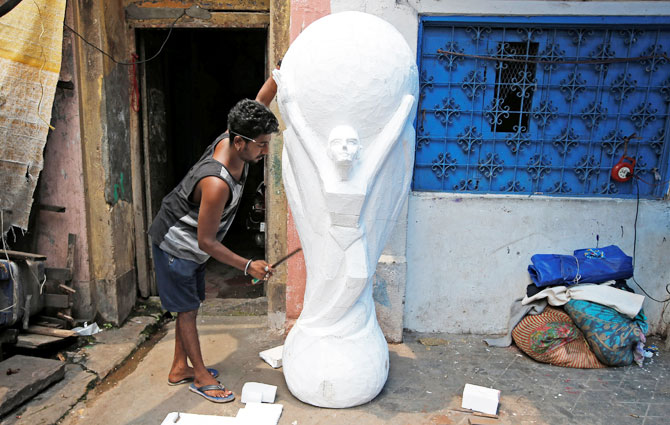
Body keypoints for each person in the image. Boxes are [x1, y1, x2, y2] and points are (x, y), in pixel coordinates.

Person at [148, 76, 279, 403]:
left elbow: (260, 101)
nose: (265, 150)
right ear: (239, 143)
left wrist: (280, 74)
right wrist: (248, 265)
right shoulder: (216, 182)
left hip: (192, 245)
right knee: (188, 309)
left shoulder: (237, 134)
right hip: (176, 245)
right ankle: (202, 376)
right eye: (261, 145)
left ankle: (180, 367)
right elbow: (206, 241)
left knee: (187, 305)